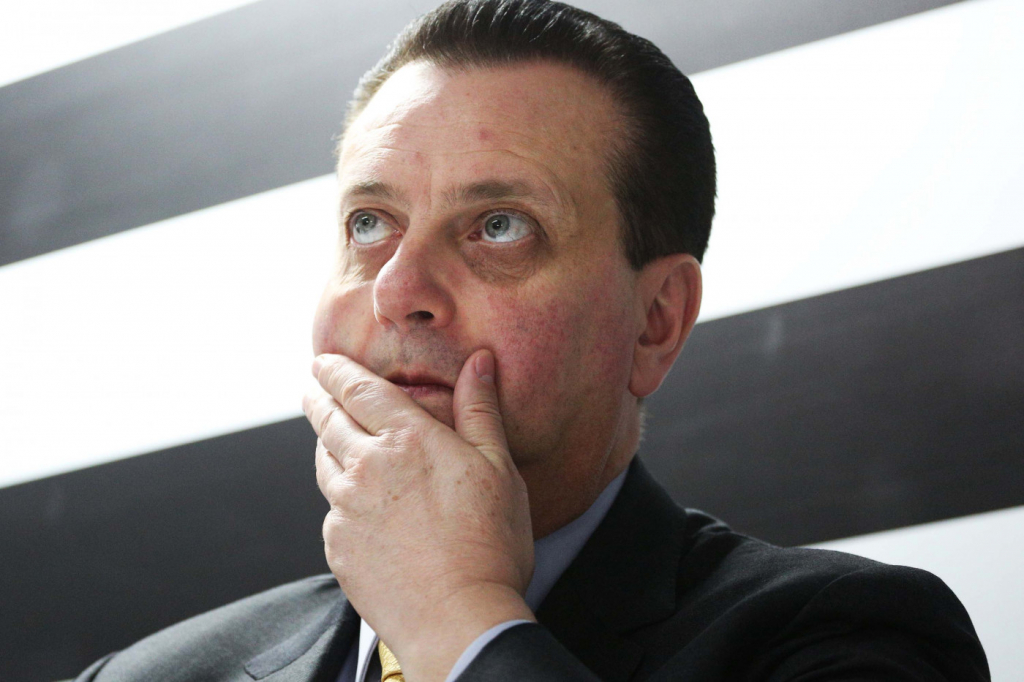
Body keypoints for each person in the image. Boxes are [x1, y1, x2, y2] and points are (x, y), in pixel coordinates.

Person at [69, 1, 989, 680]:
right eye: (369, 224)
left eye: (500, 226)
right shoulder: (143, 677)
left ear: (656, 321)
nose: (398, 291)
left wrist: (458, 620)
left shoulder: (851, 637)